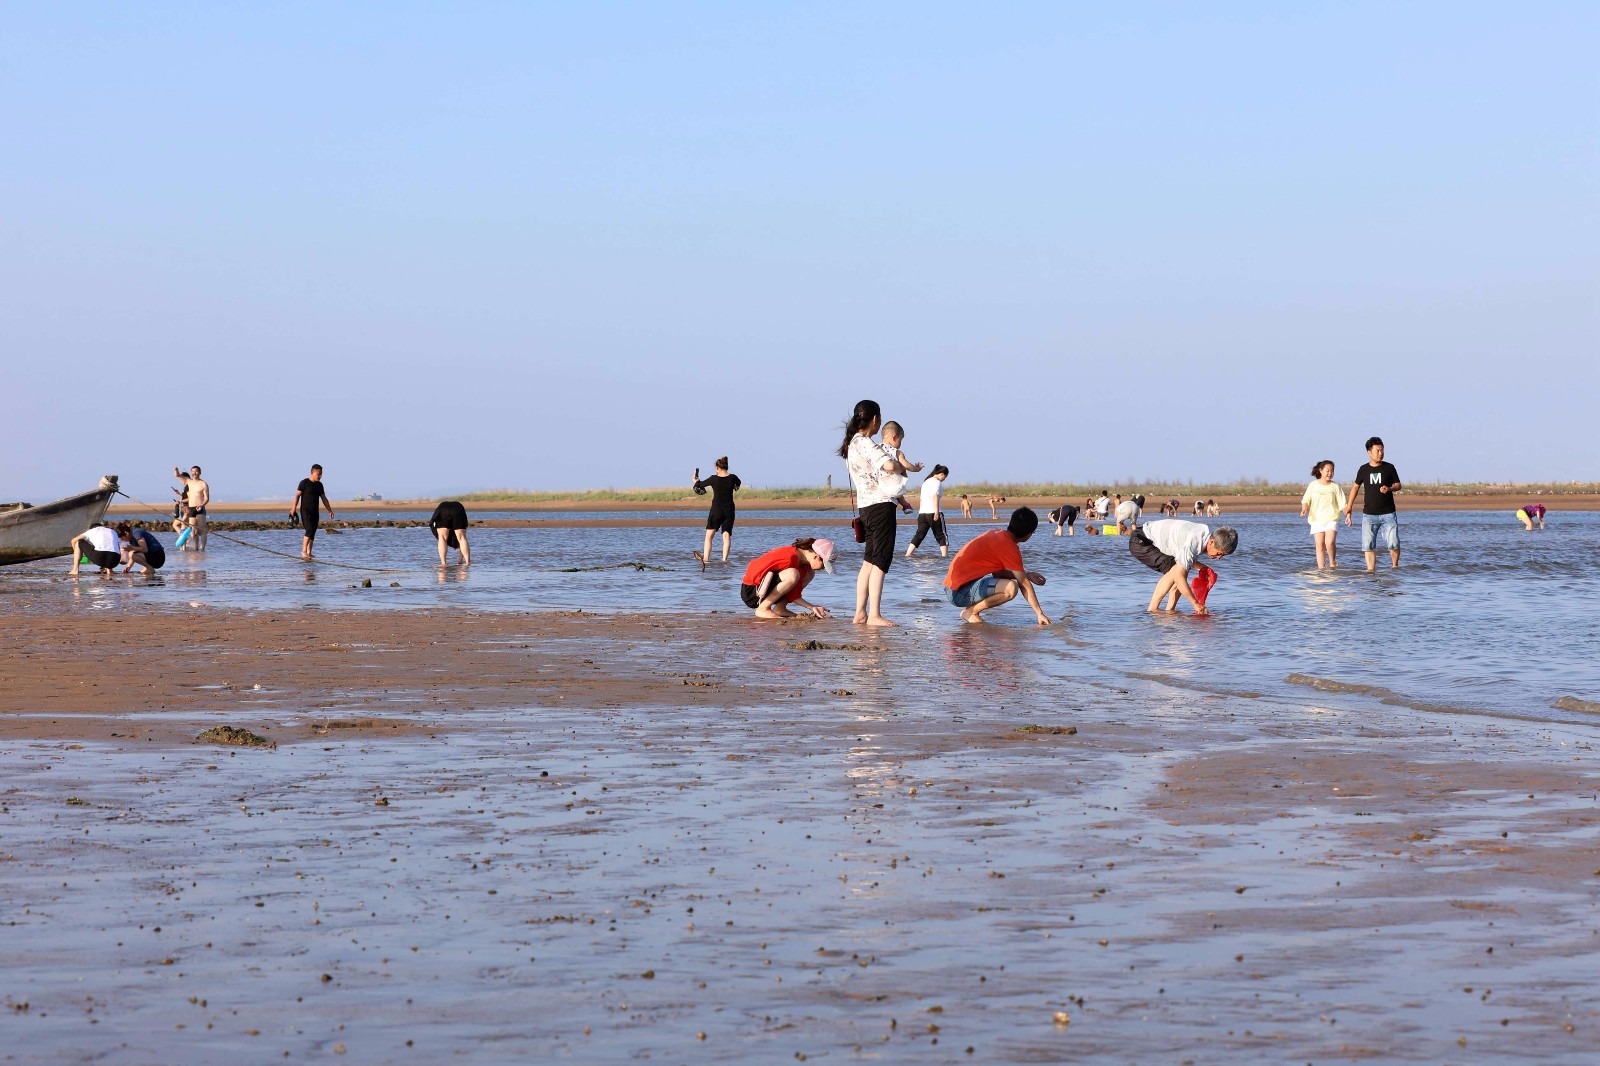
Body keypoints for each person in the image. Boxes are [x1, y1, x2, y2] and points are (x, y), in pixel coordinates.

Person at [840, 398, 906, 627]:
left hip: (865, 506)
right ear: (875, 419)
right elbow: (888, 466)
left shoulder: (851, 444)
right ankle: (874, 614)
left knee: (869, 561)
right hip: (880, 505)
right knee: (880, 561)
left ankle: (860, 613)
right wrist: (899, 466)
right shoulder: (866, 442)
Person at [943, 507, 1050, 626]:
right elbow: (1023, 583)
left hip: (954, 588)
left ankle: (971, 611)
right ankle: (971, 612)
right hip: (958, 592)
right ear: (1028, 534)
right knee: (1011, 588)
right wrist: (1039, 613)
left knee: (1008, 584)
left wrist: (1027, 575)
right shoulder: (1009, 546)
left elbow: (998, 574)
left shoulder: (997, 535)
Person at [1129, 518, 1238, 615]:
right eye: (1219, 553)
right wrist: (1195, 603)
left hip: (1148, 539)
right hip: (1141, 541)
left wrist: (1204, 568)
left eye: (1222, 555)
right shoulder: (1193, 542)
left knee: (1180, 570)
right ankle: (1152, 610)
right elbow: (1179, 575)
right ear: (1211, 542)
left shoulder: (1202, 536)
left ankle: (1170, 611)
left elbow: (1187, 560)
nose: (1218, 557)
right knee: (1176, 572)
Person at [1341, 436, 1402, 571]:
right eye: (1377, 450)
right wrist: (1349, 505)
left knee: (1394, 543)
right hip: (1369, 514)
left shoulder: (1389, 467)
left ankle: (1395, 567)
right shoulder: (1363, 469)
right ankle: (1370, 571)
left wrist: (1390, 488)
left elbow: (1398, 485)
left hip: (1388, 513)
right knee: (1368, 545)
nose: (1380, 453)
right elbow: (1355, 487)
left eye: (1382, 450)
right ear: (1369, 452)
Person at [740, 537, 836, 619]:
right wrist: (811, 607)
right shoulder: (788, 556)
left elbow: (794, 593)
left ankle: (780, 608)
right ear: (816, 556)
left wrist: (812, 607)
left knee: (808, 573)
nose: (823, 568)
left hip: (766, 590)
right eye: (824, 565)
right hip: (753, 591)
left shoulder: (805, 565)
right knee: (793, 574)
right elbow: (754, 568)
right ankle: (763, 609)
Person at [692, 457, 742, 565]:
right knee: (726, 535)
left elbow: (699, 486)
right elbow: (737, 485)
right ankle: (724, 560)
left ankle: (706, 559)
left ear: (717, 467)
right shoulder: (733, 477)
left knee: (709, 536)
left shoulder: (713, 479)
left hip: (716, 509)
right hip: (729, 509)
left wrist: (695, 480)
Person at [1300, 460, 1346, 569]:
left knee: (1329, 542)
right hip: (1316, 519)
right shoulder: (1313, 485)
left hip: (1332, 518)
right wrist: (1304, 509)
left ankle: (1332, 563)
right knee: (1320, 544)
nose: (1330, 473)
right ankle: (1321, 568)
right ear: (1321, 470)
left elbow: (1343, 504)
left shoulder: (1335, 487)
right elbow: (1306, 500)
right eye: (1327, 470)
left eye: (1332, 471)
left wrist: (1348, 515)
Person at [290, 464, 336, 559]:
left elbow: (324, 498)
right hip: (305, 511)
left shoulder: (319, 485)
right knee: (309, 529)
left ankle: (309, 553)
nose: (320, 476)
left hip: (315, 511)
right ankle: (303, 550)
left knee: (313, 532)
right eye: (318, 474)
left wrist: (329, 510)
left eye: (321, 474)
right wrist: (293, 508)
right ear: (313, 472)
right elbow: (297, 496)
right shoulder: (304, 483)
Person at [905, 465, 951, 557]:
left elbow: (922, 498)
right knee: (941, 535)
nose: (944, 479)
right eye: (945, 477)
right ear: (941, 474)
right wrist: (937, 512)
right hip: (933, 512)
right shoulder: (937, 482)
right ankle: (945, 556)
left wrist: (921, 512)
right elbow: (935, 496)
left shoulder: (926, 482)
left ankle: (908, 554)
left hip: (922, 514)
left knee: (919, 535)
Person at [880, 422, 925, 513]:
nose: (901, 443)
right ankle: (905, 505)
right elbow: (907, 466)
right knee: (901, 477)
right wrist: (917, 468)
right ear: (894, 437)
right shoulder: (897, 452)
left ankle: (905, 505)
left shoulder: (876, 449)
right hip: (893, 484)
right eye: (901, 440)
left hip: (879, 483)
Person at [174, 465, 209, 550]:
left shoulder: (203, 484)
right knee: (193, 531)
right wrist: (176, 470)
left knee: (202, 530)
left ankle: (202, 549)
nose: (194, 473)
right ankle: (196, 549)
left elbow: (207, 498)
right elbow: (178, 476)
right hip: (192, 508)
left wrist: (201, 505)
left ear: (199, 473)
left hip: (200, 508)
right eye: (193, 471)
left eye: (196, 471)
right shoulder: (189, 481)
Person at [429, 500, 471, 566]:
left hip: (443, 509)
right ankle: (467, 562)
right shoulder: (458, 505)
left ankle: (443, 563)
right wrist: (460, 558)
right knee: (462, 538)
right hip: (457, 509)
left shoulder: (442, 505)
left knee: (442, 538)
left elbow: (433, 520)